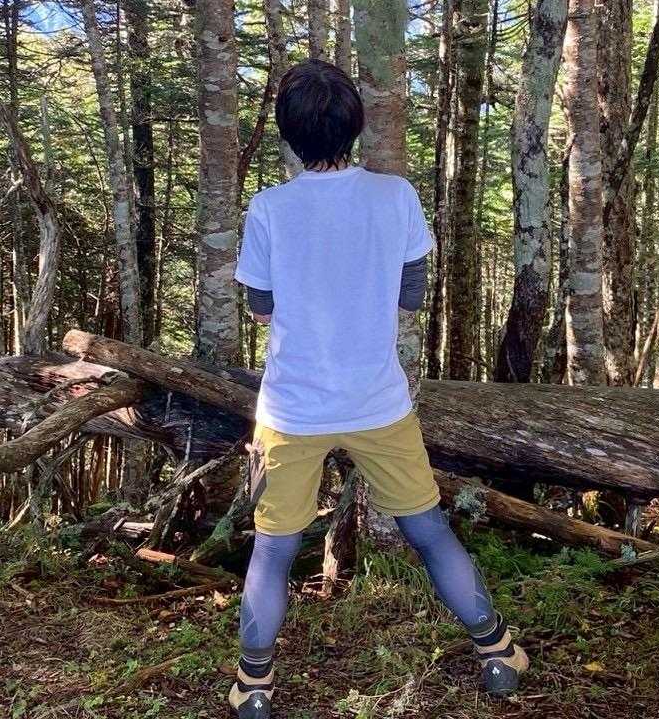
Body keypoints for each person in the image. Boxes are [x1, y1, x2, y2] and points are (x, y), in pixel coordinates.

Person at [226, 59, 527, 718]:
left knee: (273, 549)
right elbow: (413, 291)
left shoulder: (270, 208)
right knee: (429, 531)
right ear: (355, 126)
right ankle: (499, 652)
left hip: (292, 409)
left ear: (287, 133)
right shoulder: (395, 196)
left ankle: (253, 688)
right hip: (378, 402)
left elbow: (260, 308)